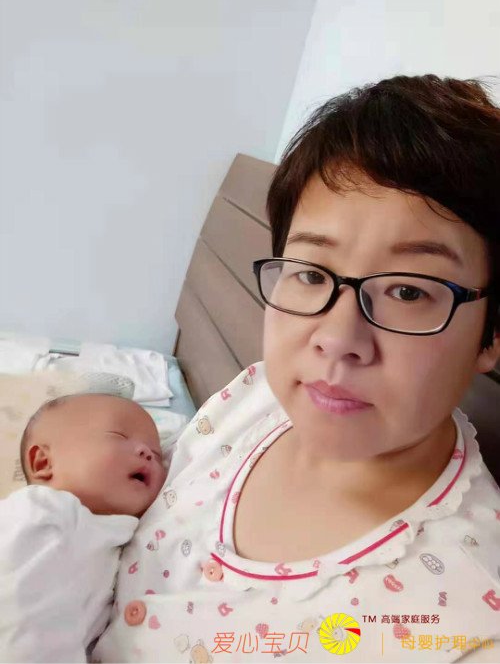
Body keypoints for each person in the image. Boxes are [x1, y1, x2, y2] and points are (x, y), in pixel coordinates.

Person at [94, 75, 500, 663]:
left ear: (492, 334)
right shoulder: (255, 397)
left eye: (409, 291)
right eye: (311, 273)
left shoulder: (461, 628)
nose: (337, 339)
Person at [0, 393, 167, 663]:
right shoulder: (41, 510)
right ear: (43, 463)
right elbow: (16, 602)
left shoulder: (110, 535)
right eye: (118, 436)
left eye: (157, 455)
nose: (146, 453)